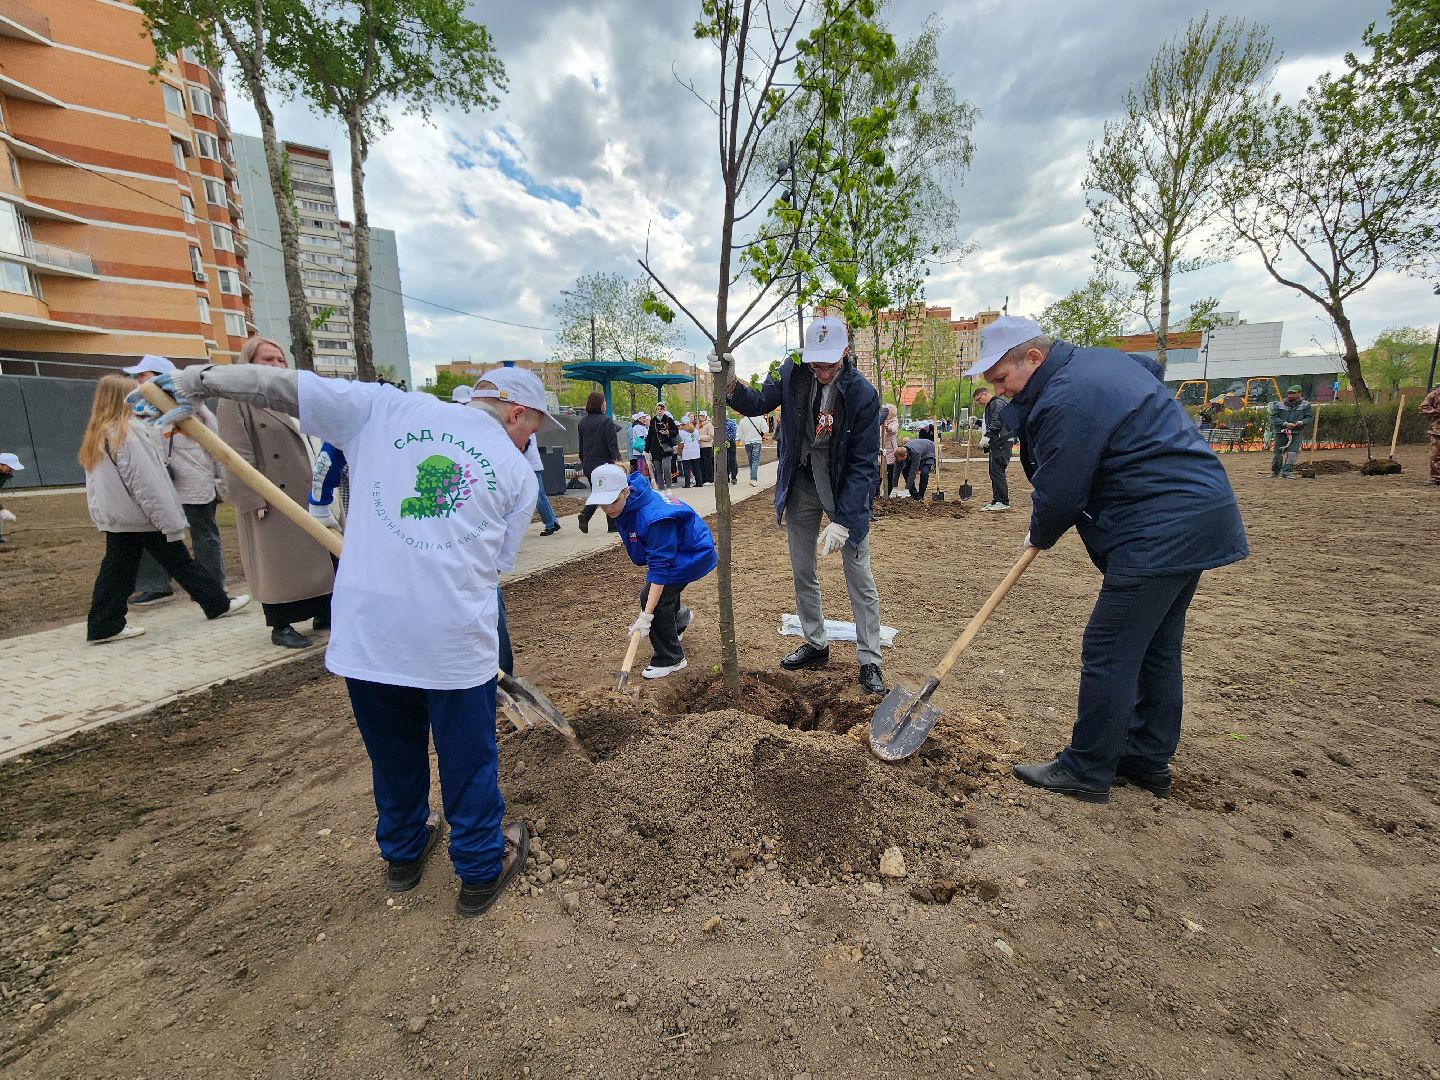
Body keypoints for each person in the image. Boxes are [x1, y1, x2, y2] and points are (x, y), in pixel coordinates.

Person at [155, 361, 554, 918]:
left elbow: (280, 387)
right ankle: (481, 870)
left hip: (371, 632)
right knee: (468, 761)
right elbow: (495, 565)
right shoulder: (516, 474)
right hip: (453, 640)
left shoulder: (383, 409)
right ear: (515, 413)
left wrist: (197, 382)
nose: (530, 440)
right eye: (533, 428)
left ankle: (404, 851)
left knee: (392, 752)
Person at [971, 316, 1247, 804]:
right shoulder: (1096, 364)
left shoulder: (1066, 397)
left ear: (1033, 357)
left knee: (1109, 647)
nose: (1000, 391)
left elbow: (1062, 490)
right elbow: (1147, 373)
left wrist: (1040, 530)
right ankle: (1145, 756)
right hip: (1197, 515)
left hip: (1159, 525)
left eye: (1002, 379)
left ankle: (1087, 767)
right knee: (1157, 645)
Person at [721, 316, 887, 696]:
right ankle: (815, 642)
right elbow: (758, 402)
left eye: (829, 365)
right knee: (802, 568)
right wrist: (730, 383)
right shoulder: (793, 369)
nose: (822, 372)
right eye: (816, 365)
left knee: (859, 575)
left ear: (845, 353)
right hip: (802, 482)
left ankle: (870, 659)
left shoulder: (863, 394)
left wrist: (844, 521)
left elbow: (863, 465)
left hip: (842, 487)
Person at [79, 375, 248, 643]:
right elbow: (147, 483)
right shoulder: (128, 434)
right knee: (176, 562)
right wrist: (167, 520)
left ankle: (104, 623)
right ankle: (217, 603)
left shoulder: (98, 434)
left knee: (122, 568)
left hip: (123, 517)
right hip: (141, 516)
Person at [218, 336, 335, 648]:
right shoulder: (235, 399)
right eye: (267, 359)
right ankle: (281, 624)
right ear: (249, 363)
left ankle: (324, 611)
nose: (276, 365)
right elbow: (235, 453)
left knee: (321, 555)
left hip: (308, 488)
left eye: (280, 359)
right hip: (272, 495)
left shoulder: (293, 396)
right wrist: (251, 497)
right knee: (279, 563)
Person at [586, 462, 717, 679]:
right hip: (679, 547)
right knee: (663, 595)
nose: (608, 509)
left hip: (692, 553)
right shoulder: (630, 499)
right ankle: (680, 620)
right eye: (602, 503)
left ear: (626, 492)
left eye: (613, 501)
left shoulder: (654, 519)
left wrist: (646, 616)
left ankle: (670, 658)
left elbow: (660, 569)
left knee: (653, 597)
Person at [125, 355, 228, 604]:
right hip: (159, 485)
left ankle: (211, 587)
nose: (137, 381)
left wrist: (223, 482)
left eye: (143, 375)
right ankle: (156, 585)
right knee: (152, 534)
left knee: (203, 536)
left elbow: (218, 447)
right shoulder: (140, 413)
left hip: (194, 484)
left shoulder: (194, 409)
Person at [576, 391, 620, 534]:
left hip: (589, 464)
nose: (605, 404)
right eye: (604, 402)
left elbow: (581, 447)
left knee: (598, 491)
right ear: (600, 404)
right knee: (610, 492)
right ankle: (611, 525)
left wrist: (585, 461)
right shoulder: (606, 421)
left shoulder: (582, 422)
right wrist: (618, 463)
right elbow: (612, 445)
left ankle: (586, 515)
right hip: (604, 463)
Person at [974, 387, 1014, 511]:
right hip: (996, 443)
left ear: (984, 394)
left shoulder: (997, 403)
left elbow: (998, 421)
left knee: (997, 471)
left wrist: (988, 436)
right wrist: (978, 423)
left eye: (978, 399)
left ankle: (1003, 501)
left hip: (1001, 442)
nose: (978, 402)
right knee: (994, 472)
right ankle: (997, 500)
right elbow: (990, 422)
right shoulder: (991, 405)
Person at [1267, 385, 1313, 479]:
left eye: (1293, 393)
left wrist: (1301, 422)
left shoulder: (1305, 405)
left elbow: (1309, 418)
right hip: (1281, 432)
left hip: (1296, 432)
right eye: (1289, 393)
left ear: (1299, 394)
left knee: (1292, 453)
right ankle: (1275, 471)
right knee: (1277, 454)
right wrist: (1284, 423)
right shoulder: (1279, 404)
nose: (1290, 395)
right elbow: (1273, 417)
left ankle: (1287, 472)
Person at [526, 434, 561, 537]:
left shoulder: (526, 431)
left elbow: (523, 446)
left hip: (531, 467)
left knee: (539, 498)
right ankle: (553, 522)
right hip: (530, 467)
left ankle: (550, 524)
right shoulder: (526, 431)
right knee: (540, 497)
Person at [645, 402, 678, 491]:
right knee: (658, 469)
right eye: (658, 409)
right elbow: (649, 435)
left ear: (664, 410)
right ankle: (661, 489)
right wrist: (646, 449)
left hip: (667, 447)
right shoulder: (653, 421)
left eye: (661, 409)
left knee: (666, 468)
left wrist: (668, 432)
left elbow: (676, 431)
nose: (659, 411)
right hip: (655, 448)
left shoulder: (668, 419)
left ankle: (669, 486)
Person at [899, 433, 935, 499]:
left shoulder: (915, 452)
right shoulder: (901, 451)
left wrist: (907, 488)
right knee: (905, 470)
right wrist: (894, 486)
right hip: (917, 451)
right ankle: (913, 493)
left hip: (927, 453)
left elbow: (913, 471)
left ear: (905, 455)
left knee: (924, 473)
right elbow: (897, 470)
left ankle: (920, 495)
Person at [738, 412, 767, 486]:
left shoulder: (743, 420)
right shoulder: (760, 419)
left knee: (751, 460)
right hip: (757, 441)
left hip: (747, 443)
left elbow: (740, 434)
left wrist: (744, 441)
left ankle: (752, 477)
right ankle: (753, 479)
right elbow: (765, 430)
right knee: (755, 460)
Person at [878, 404, 900, 497]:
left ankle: (887, 493)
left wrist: (888, 428)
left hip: (890, 451)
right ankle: (876, 494)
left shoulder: (894, 421)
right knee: (878, 474)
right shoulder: (880, 419)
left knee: (889, 474)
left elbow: (893, 430)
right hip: (880, 449)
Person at [0, 451, 21, 543]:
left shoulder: (5, 474)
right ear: (1, 464)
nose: (12, 470)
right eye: (10, 466)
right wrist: (2, 510)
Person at [1422, 386, 1440, 485]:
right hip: (1438, 431)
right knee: (1436, 455)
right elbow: (1423, 407)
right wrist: (1436, 411)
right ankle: (1437, 477)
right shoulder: (1435, 394)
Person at [677, 413, 701, 487]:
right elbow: (698, 439)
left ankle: (687, 484)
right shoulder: (695, 430)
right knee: (696, 468)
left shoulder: (682, 432)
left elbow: (681, 443)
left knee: (686, 468)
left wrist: (679, 453)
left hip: (686, 451)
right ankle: (699, 483)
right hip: (696, 450)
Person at [695, 411, 715, 485]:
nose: (702, 417)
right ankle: (703, 479)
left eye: (703, 416)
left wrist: (700, 437)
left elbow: (711, 436)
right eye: (701, 416)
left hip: (707, 446)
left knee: (707, 463)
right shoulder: (697, 425)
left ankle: (709, 479)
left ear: (706, 417)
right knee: (701, 463)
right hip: (699, 446)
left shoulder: (709, 425)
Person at [724, 414, 739, 483]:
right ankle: (726, 477)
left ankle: (733, 477)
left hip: (730, 443)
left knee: (731, 460)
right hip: (723, 443)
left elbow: (733, 435)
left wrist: (725, 439)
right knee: (725, 460)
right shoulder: (718, 423)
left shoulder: (731, 423)